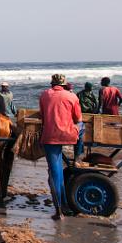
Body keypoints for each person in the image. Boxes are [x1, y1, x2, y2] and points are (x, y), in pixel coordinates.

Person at [39, 74, 82, 220]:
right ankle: (78, 155)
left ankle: (59, 211)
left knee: (55, 173)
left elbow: (43, 117)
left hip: (50, 137)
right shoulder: (72, 96)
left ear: (52, 84)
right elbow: (77, 118)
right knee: (82, 126)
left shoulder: (44, 95)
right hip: (69, 135)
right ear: (64, 85)